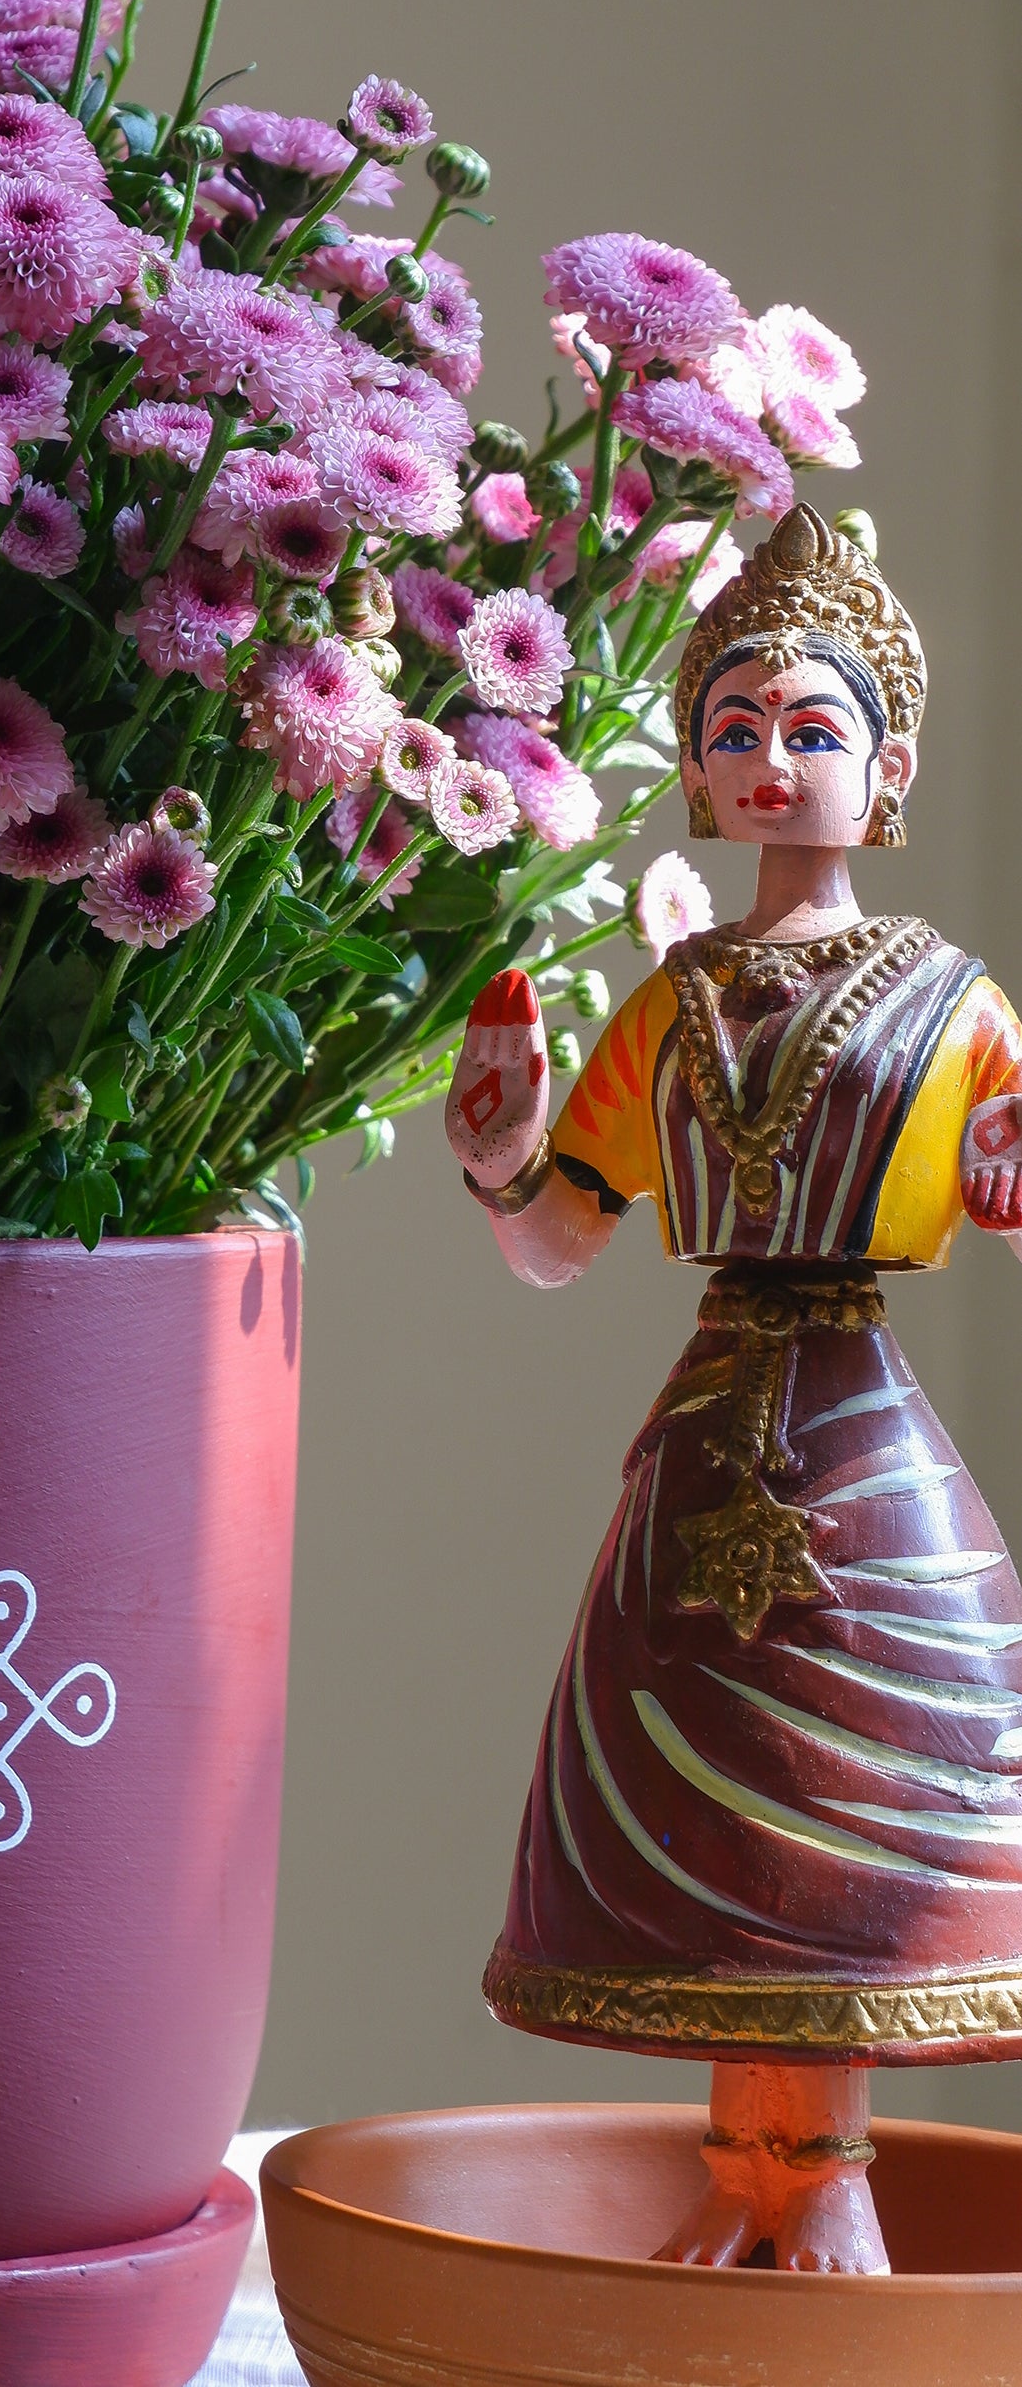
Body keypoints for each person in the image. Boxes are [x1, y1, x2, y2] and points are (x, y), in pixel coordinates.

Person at [445, 504, 1022, 2274]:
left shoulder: (953, 1002)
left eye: (811, 728)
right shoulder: (672, 1004)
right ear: (696, 773)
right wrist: (500, 1161)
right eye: (733, 729)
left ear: (887, 767)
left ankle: (816, 2166)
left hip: (854, 1438)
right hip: (709, 1437)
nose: (771, 761)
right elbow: (560, 1241)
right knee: (710, 1800)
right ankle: (752, 2166)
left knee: (860, 1821)